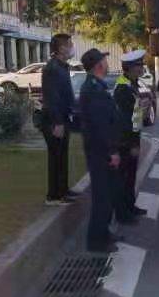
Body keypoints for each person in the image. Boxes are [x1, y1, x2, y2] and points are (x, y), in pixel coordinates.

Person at [79, 48, 137, 252]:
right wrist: (111, 152)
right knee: (102, 199)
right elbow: (100, 126)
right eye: (104, 59)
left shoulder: (97, 86)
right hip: (100, 153)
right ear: (98, 65)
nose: (107, 62)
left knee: (110, 194)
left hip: (101, 150)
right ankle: (96, 241)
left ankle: (104, 233)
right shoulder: (93, 90)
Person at [41, 33, 77, 206]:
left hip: (63, 118)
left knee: (62, 156)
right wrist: (58, 123)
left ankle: (63, 190)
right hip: (54, 120)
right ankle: (54, 196)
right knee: (56, 157)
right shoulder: (52, 68)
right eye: (70, 44)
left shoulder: (62, 66)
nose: (72, 48)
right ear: (62, 48)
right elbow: (52, 98)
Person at [114, 50, 147, 216]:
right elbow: (128, 120)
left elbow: (137, 115)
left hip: (131, 138)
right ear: (130, 68)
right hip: (126, 141)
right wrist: (133, 144)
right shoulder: (123, 88)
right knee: (124, 177)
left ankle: (130, 206)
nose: (142, 68)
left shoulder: (132, 84)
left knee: (131, 175)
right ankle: (123, 212)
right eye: (139, 65)